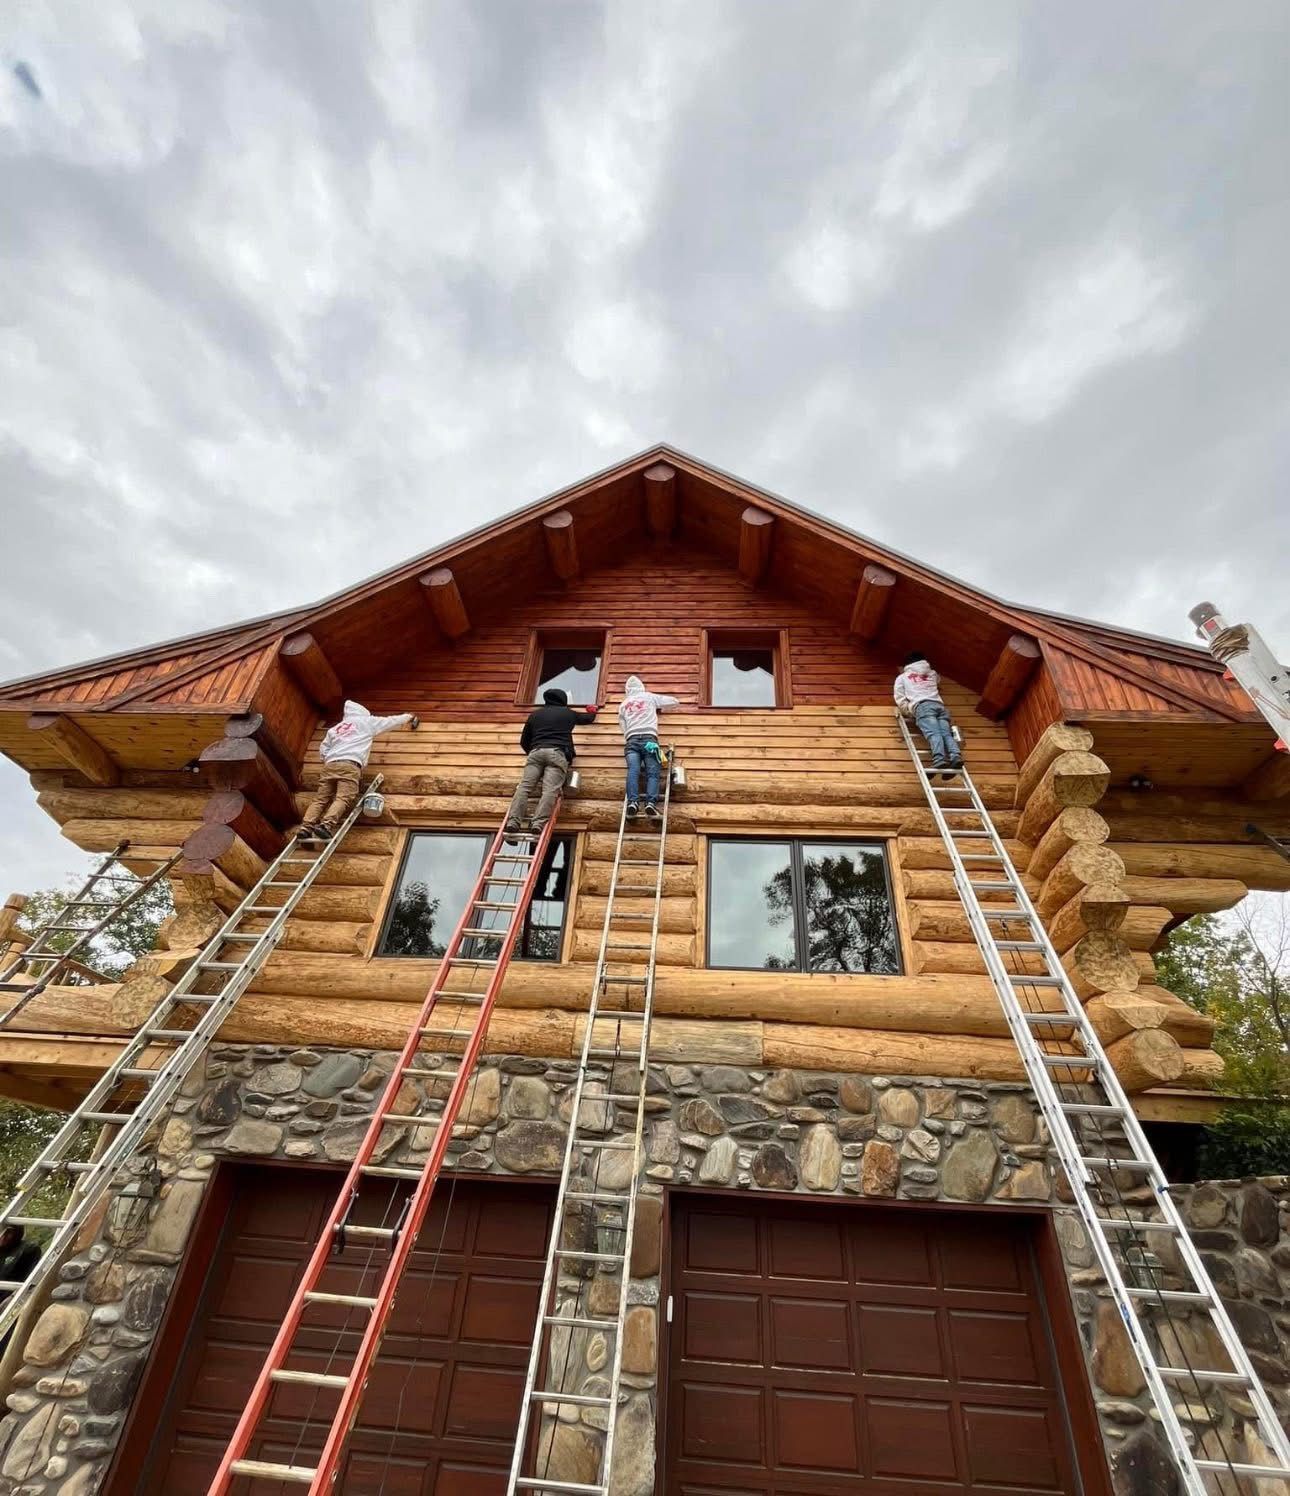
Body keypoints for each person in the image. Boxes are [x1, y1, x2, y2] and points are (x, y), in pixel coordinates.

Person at [299, 700, 420, 841]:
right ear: (362, 712)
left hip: (330, 765)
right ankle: (325, 825)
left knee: (321, 798)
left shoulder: (336, 728)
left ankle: (306, 827)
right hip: (350, 765)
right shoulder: (366, 722)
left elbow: (323, 749)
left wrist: (330, 759)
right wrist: (408, 716)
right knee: (343, 797)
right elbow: (390, 721)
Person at [505, 687, 597, 835]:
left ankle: (513, 822)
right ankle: (538, 824)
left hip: (535, 753)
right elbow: (586, 719)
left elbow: (524, 740)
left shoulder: (535, 715)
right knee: (550, 791)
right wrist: (592, 710)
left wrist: (534, 751)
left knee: (524, 788)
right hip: (556, 754)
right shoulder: (567, 713)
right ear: (563, 700)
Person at [618, 675, 679, 820]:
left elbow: (623, 727)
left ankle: (633, 802)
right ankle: (650, 804)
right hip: (649, 741)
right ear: (641, 686)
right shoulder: (649, 697)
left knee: (633, 771)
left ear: (627, 689)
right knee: (653, 773)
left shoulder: (623, 704)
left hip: (631, 741)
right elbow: (674, 702)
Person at [894, 651, 963, 778]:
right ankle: (955, 756)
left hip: (923, 706)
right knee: (946, 734)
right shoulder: (932, 673)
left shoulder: (903, 677)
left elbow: (899, 698)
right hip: (939, 706)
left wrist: (909, 712)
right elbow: (937, 680)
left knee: (933, 734)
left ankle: (939, 760)